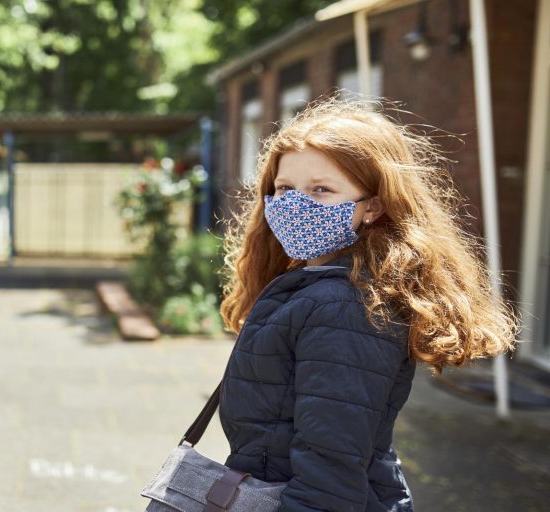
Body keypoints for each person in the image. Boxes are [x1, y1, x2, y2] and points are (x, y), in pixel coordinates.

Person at [217, 95, 517, 511]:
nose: (294, 204)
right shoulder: (319, 284)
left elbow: (329, 478)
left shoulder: (345, 307)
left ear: (372, 206)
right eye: (284, 188)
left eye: (321, 190)